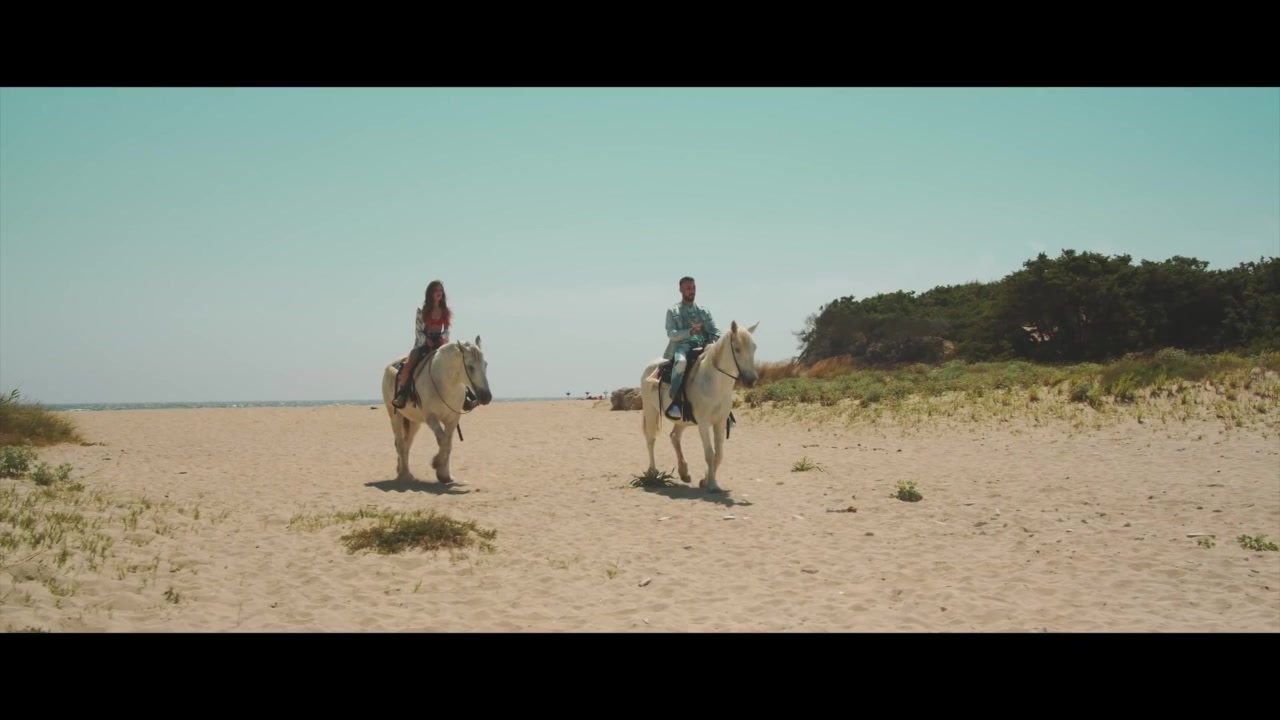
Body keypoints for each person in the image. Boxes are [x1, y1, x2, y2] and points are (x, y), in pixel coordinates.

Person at [393, 280, 476, 410]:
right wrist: (426, 340)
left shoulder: (445, 311)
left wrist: (444, 337)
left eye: (441, 290)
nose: (439, 293)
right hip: (423, 343)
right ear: (430, 293)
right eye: (436, 290)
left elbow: (447, 329)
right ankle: (402, 394)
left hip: (440, 343)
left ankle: (466, 396)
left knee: (457, 363)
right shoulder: (422, 310)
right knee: (410, 362)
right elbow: (418, 330)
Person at [663, 275, 720, 420]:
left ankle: (725, 410)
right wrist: (690, 332)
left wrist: (724, 339)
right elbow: (671, 334)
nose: (692, 291)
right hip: (682, 347)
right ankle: (676, 401)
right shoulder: (673, 311)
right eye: (688, 288)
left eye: (694, 288)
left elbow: (714, 330)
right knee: (681, 363)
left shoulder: (704, 311)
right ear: (681, 290)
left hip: (705, 346)